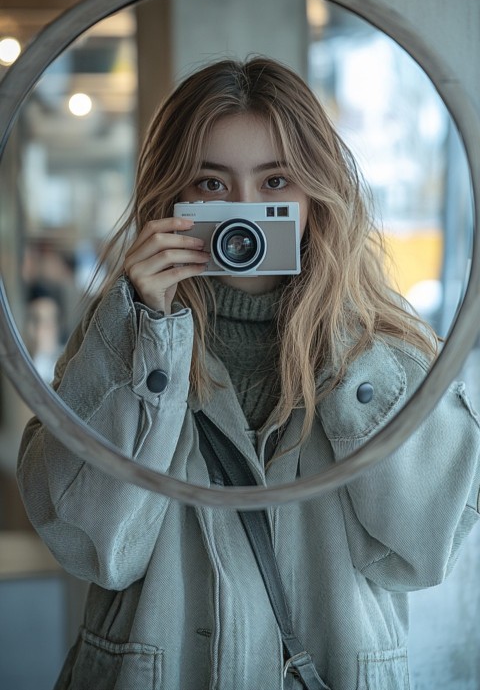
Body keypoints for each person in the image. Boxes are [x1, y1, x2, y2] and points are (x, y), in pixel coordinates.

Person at [17, 58, 480, 690]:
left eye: (275, 182)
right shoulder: (122, 334)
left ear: (318, 196)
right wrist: (147, 333)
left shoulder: (382, 347)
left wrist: (340, 327)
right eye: (211, 185)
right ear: (171, 197)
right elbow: (93, 545)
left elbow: (426, 545)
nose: (244, 212)